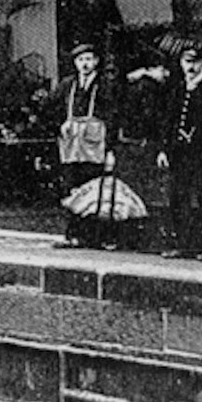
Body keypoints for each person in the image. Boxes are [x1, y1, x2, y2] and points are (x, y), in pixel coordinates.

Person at [156, 44, 202, 259]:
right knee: (178, 198)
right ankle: (181, 244)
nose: (191, 67)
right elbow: (168, 123)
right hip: (179, 153)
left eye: (196, 63)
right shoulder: (178, 90)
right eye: (187, 62)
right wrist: (163, 150)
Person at [51, 42, 116, 248]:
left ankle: (96, 236)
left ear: (96, 61)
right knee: (72, 188)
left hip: (95, 144)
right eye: (81, 60)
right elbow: (51, 109)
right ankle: (74, 235)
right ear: (75, 63)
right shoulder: (67, 85)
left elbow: (113, 117)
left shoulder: (105, 85)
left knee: (94, 189)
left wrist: (111, 149)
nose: (85, 64)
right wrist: (59, 126)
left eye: (89, 59)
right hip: (71, 145)